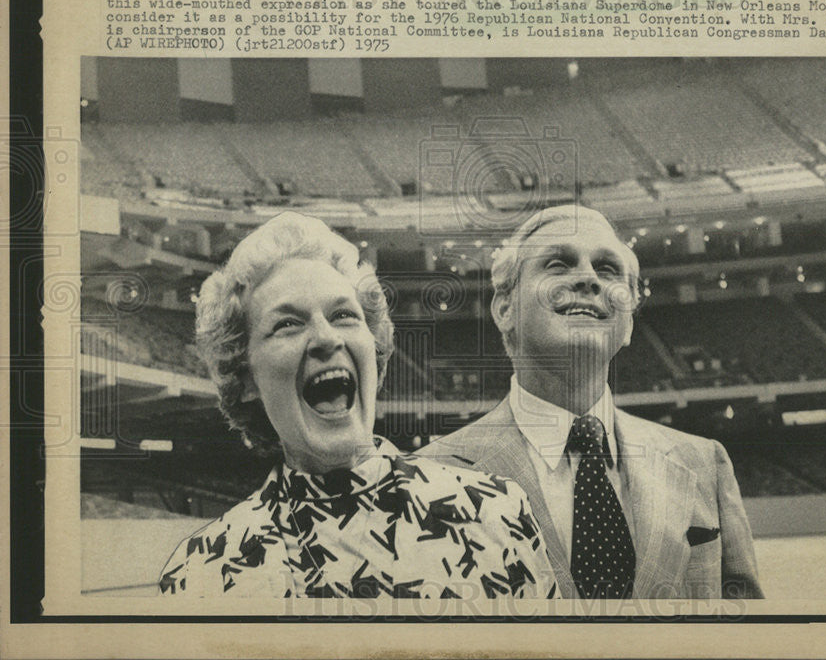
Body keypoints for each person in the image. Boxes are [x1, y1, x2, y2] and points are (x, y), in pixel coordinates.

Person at [159, 212, 556, 599]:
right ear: (244, 376)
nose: (326, 339)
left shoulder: (496, 514)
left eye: (344, 315)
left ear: (375, 350)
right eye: (288, 324)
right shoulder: (201, 574)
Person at [420, 205, 762, 600]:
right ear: (505, 308)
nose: (587, 278)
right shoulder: (427, 478)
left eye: (608, 269)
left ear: (629, 321)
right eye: (558, 263)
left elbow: (747, 634)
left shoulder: (705, 464)